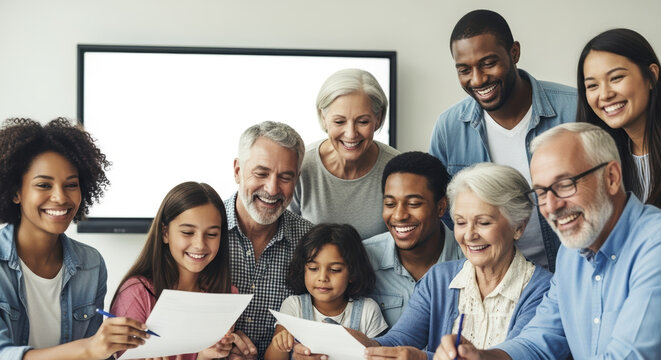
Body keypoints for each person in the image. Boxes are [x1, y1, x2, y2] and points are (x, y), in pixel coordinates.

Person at [435, 122, 661, 359]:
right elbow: (538, 341)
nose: (551, 206)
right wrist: (481, 356)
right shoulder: (571, 254)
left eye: (564, 185)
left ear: (612, 177)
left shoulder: (654, 243)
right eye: (541, 193)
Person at [429, 9, 577, 271]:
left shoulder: (574, 109)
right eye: (464, 69)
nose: (477, 79)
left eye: (488, 63)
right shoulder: (449, 127)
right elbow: (443, 211)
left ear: (514, 53)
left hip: (569, 272)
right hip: (493, 279)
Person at [0, 118, 149, 359]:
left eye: (71, 185)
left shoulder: (90, 263)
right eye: (44, 185)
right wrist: (90, 348)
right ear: (16, 192)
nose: (60, 197)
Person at [110, 182, 252, 359]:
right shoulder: (137, 294)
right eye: (187, 232)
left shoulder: (226, 295)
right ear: (165, 233)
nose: (200, 245)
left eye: (212, 235)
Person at [227, 121, 313, 358]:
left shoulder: (311, 242)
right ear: (237, 171)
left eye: (286, 177)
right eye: (261, 173)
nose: (272, 188)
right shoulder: (202, 233)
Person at [290, 68, 399, 239]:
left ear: (378, 119)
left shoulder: (397, 168)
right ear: (323, 117)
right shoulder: (301, 167)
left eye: (362, 121)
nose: (350, 134)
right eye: (339, 121)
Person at [363, 151, 463, 327]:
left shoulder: (469, 260)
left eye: (414, 204)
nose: (399, 215)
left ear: (441, 207)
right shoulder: (363, 258)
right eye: (390, 204)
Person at [265, 223, 388, 360]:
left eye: (335, 270)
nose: (322, 278)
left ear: (352, 273)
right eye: (313, 268)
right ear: (303, 269)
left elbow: (379, 354)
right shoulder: (294, 306)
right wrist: (280, 345)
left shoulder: (367, 310)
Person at [578, 28, 661, 207]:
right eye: (592, 85)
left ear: (651, 76)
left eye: (616, 78)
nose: (605, 95)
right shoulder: (603, 161)